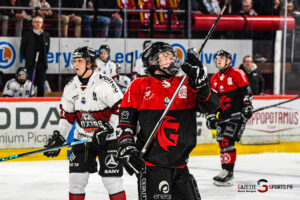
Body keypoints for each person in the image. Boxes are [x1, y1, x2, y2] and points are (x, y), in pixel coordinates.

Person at [116, 42, 220, 199]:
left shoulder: (186, 83)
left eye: (172, 55)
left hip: (181, 166)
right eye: (165, 55)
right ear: (152, 61)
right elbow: (125, 124)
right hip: (152, 167)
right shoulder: (139, 85)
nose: (171, 58)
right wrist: (127, 149)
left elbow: (213, 106)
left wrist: (202, 83)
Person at [43, 46, 126, 200]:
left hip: (108, 140)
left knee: (112, 182)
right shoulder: (70, 87)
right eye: (75, 61)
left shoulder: (104, 83)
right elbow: (67, 117)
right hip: (82, 139)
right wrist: (59, 136)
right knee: (76, 182)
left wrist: (109, 129)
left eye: (80, 61)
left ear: (89, 63)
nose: (76, 64)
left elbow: (121, 109)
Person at [206, 49, 253, 186]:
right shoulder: (214, 78)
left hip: (237, 116)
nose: (218, 60)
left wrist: (247, 106)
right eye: (217, 58)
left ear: (229, 61)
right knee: (222, 142)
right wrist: (211, 116)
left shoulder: (238, 73)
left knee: (227, 141)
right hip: (224, 117)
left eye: (222, 58)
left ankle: (228, 172)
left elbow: (247, 92)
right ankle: (225, 170)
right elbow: (213, 101)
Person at [20, 15, 50, 97]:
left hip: (42, 63)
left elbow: (47, 49)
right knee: (29, 83)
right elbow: (22, 49)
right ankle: (29, 99)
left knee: (41, 84)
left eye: (39, 22)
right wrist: (29, 58)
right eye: (36, 22)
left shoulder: (46, 35)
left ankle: (40, 101)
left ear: (42, 23)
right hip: (30, 63)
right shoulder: (27, 35)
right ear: (33, 23)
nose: (38, 24)